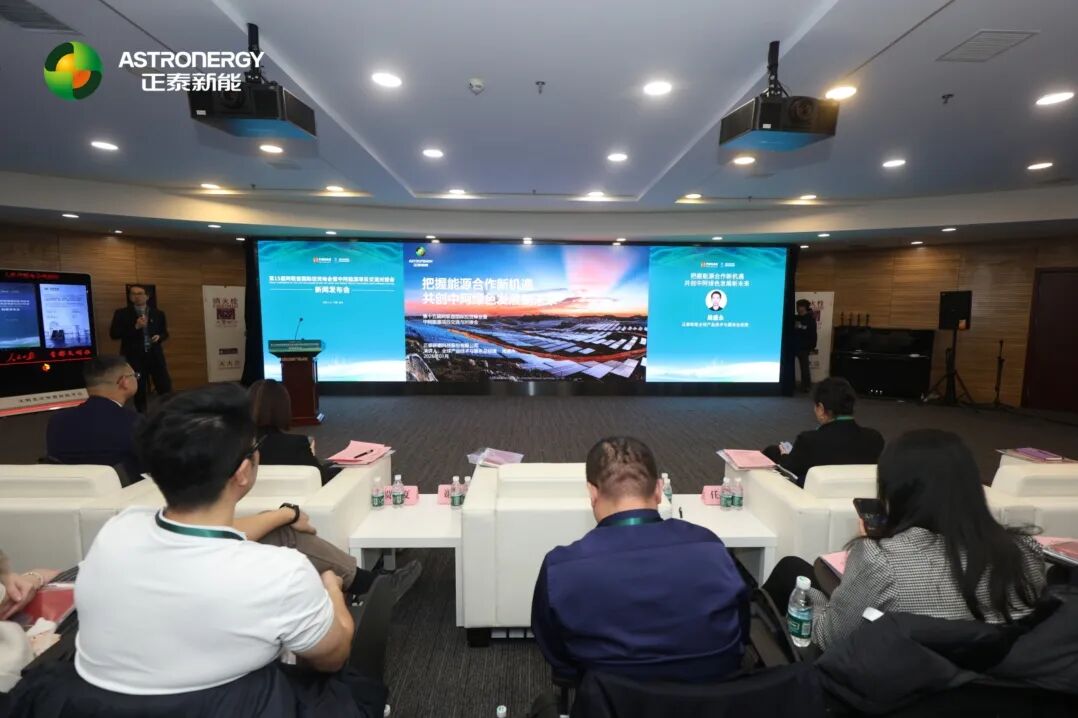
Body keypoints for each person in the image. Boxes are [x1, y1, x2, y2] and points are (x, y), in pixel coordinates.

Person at [70, 384, 385, 712]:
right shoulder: (283, 572)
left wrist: (282, 515)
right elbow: (333, 657)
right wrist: (331, 589)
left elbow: (213, 533)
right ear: (243, 472)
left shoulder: (118, 530)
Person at [764, 429, 1046, 652]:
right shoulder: (1026, 551)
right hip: (983, 690)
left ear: (896, 490)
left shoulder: (880, 559)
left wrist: (808, 600)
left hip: (891, 688)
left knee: (791, 574)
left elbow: (829, 637)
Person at [531, 437, 748, 683]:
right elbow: (740, 630)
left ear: (592, 493)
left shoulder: (561, 568)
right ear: (658, 490)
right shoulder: (710, 547)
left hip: (610, 698)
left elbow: (557, 653)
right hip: (715, 694)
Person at [762, 376, 884, 487]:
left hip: (813, 496)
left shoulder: (809, 440)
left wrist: (784, 456)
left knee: (772, 452)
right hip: (859, 496)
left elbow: (789, 469)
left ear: (821, 409)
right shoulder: (874, 438)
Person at [45, 355, 142, 481]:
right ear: (124, 382)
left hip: (69, 490)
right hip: (121, 491)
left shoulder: (57, 421)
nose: (137, 378)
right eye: (135, 375)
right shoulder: (135, 423)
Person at [249, 379, 340, 484]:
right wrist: (312, 455)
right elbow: (320, 478)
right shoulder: (296, 444)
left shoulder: (236, 444)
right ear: (283, 408)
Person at [108, 284, 172, 413]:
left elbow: (165, 333)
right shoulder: (121, 314)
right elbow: (114, 334)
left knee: (164, 385)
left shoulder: (158, 313)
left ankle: (169, 412)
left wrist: (159, 337)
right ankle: (141, 415)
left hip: (155, 355)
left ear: (147, 296)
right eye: (133, 294)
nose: (136, 296)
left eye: (139, 293)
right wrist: (135, 327)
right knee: (139, 388)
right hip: (134, 357)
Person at [792, 298, 817, 392]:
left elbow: (811, 332)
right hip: (794, 345)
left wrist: (799, 326)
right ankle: (791, 384)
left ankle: (806, 386)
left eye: (799, 306)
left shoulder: (810, 318)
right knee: (790, 366)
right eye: (797, 306)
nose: (798, 308)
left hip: (804, 346)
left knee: (804, 367)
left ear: (804, 307)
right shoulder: (796, 317)